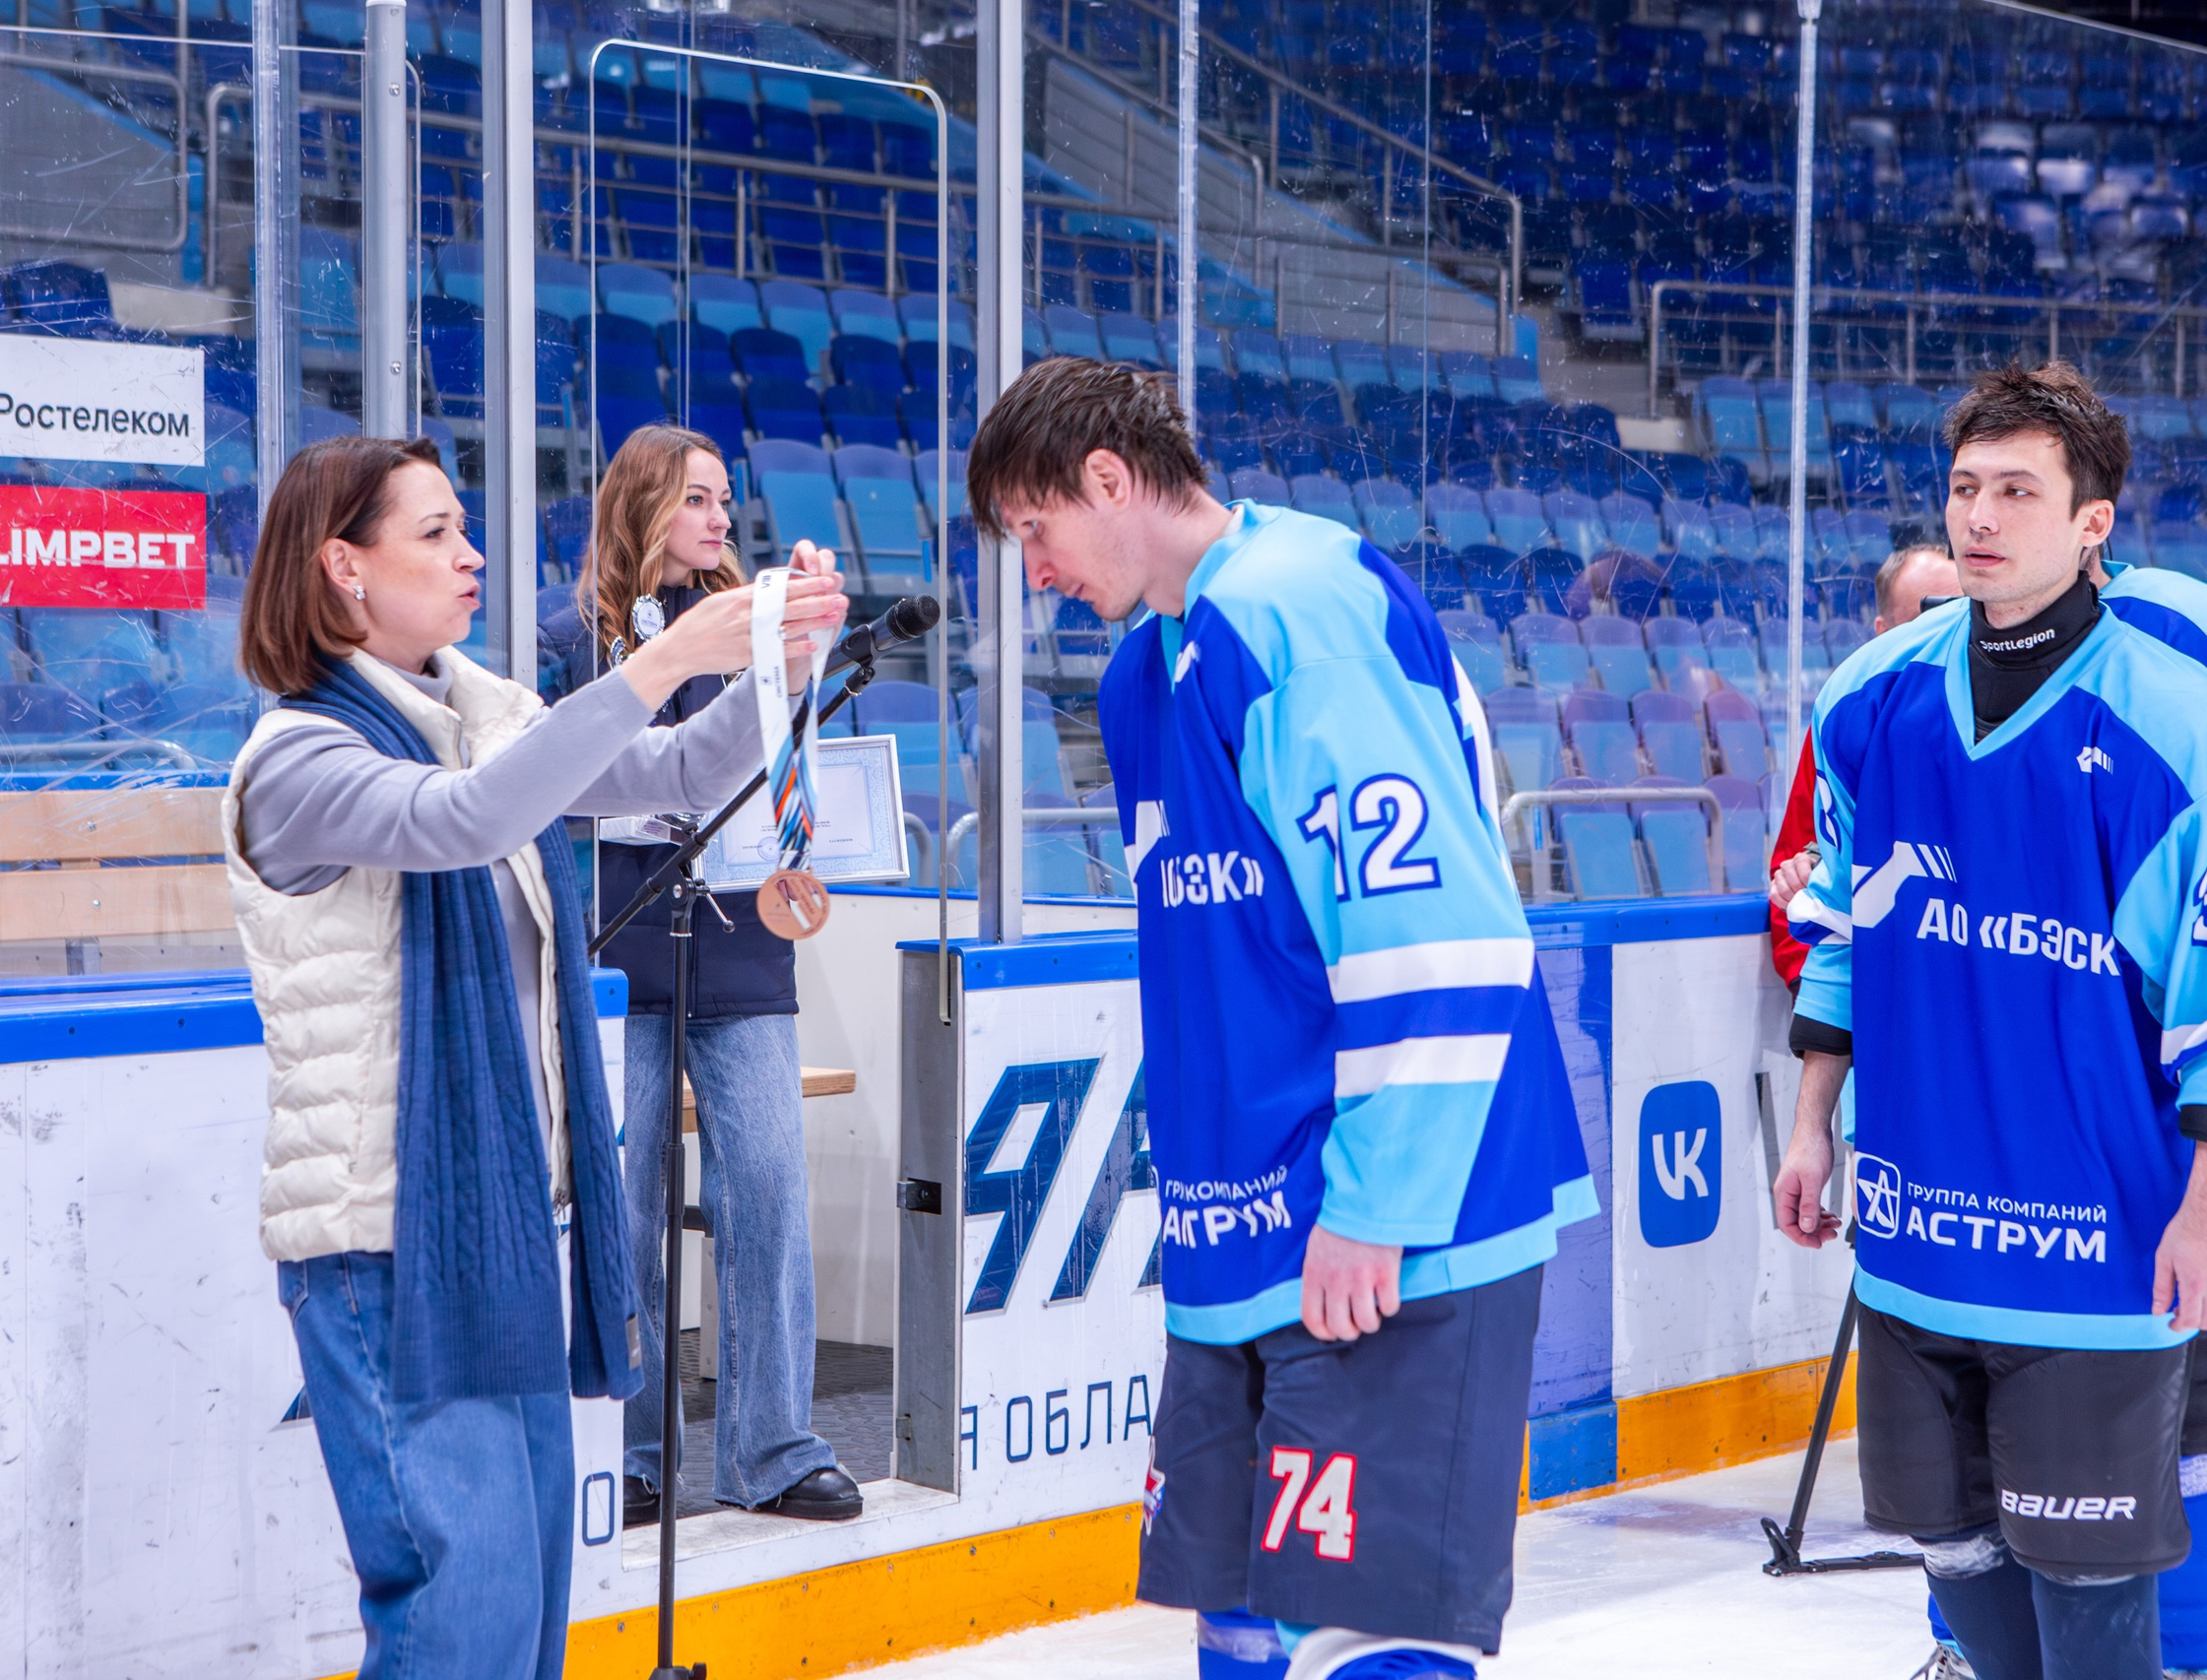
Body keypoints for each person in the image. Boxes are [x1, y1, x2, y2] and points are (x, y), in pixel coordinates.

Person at [966, 357, 1594, 1680]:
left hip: (1395, 1217)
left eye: (1036, 530)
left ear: (1108, 480)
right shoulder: (1146, 669)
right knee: (1244, 1619)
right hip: (1246, 1228)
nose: (1033, 571)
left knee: (1369, 1637)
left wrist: (1376, 1199)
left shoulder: (1303, 609)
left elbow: (1445, 938)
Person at [226, 433, 843, 1679]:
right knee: (460, 1613)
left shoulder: (484, 715)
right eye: (438, 532)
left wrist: (780, 668)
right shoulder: (295, 757)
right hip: (384, 1248)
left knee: (521, 1618)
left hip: (498, 1228)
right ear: (342, 566)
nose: (474, 552)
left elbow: (668, 771)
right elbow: (464, 822)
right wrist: (660, 657)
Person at [1773, 362, 2207, 1680]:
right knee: (1959, 1569)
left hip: (2095, 1254)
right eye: (1965, 487)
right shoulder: (1868, 698)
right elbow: (1849, 929)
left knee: (2090, 1602)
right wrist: (1809, 1124)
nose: (1981, 515)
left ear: (2093, 523)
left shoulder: (2175, 722)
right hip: (1914, 1245)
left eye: (2019, 489)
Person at [537, 424, 861, 1527]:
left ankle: (773, 1446)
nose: (722, 520)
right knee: (621, 1212)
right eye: (698, 500)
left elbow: (792, 769)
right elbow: (532, 788)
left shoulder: (764, 637)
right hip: (615, 950)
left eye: (727, 501)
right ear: (640, 505)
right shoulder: (564, 637)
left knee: (765, 1187)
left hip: (742, 948)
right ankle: (627, 1447)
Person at [1767, 542, 1962, 993]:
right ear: (1883, 630)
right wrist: (1829, 1010)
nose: (1943, 630)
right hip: (1876, 1003)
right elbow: (1793, 884)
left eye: (1957, 610)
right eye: (1925, 617)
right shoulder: (1843, 726)